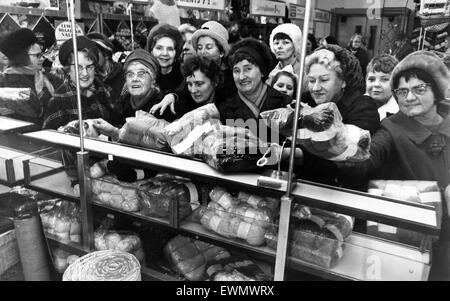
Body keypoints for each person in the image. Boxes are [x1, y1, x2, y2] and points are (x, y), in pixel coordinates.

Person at [342, 51, 450, 279]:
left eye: (419, 89)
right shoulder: (391, 128)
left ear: (436, 91)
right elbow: (369, 155)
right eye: (402, 91)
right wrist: (342, 150)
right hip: (410, 244)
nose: (409, 97)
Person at [299, 44, 380, 191]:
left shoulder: (363, 107)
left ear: (343, 81)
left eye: (324, 80)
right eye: (311, 80)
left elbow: (343, 153)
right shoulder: (306, 101)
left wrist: (297, 153)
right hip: (305, 189)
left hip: (342, 194)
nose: (316, 88)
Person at [151, 21, 235, 116]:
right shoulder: (193, 74)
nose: (203, 52)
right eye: (199, 47)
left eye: (209, 47)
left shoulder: (232, 79)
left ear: (221, 52)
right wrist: (173, 96)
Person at [218, 38, 291, 143]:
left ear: (262, 71)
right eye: (236, 71)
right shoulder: (225, 109)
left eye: (248, 69)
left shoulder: (284, 104)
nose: (242, 77)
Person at [42, 36, 115, 130]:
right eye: (78, 67)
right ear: (68, 69)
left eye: (89, 67)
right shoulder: (58, 102)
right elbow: (48, 140)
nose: (85, 73)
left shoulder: (106, 92)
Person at [0, 28, 55, 126]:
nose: (42, 58)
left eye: (41, 54)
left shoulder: (48, 77)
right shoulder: (5, 81)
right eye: (37, 55)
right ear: (22, 56)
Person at [146, 24, 184, 98]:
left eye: (170, 49)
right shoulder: (143, 74)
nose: (165, 53)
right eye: (159, 48)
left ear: (177, 52)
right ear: (151, 50)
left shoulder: (184, 76)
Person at [86, 32, 125, 102]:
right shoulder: (89, 78)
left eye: (94, 53)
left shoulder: (123, 74)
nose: (90, 57)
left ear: (106, 55)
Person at [365, 54, 399, 120]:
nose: (376, 84)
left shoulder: (400, 113)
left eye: (384, 80)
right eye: (371, 79)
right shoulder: (357, 104)